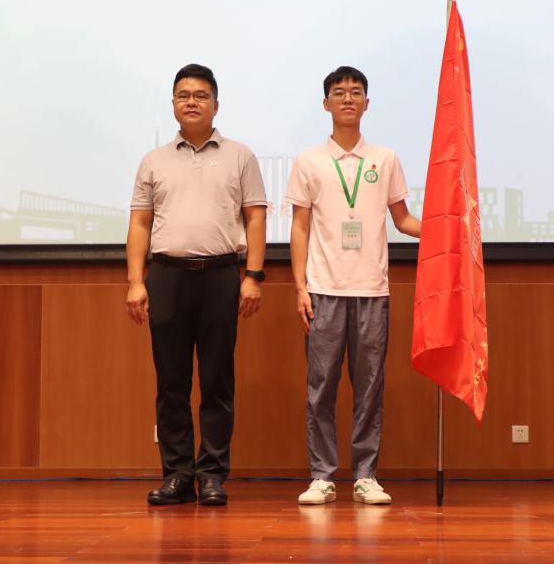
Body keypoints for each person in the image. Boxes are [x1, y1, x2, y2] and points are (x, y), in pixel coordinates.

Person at [126, 64, 268, 506]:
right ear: (173, 104)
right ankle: (177, 475)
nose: (192, 102)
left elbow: (255, 217)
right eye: (183, 95)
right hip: (166, 276)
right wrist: (135, 282)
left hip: (221, 275)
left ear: (216, 105)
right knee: (171, 382)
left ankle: (211, 475)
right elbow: (140, 223)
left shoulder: (240, 156)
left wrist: (253, 276)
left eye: (201, 95)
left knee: (216, 380)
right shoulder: (153, 160)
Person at [286, 66, 421, 505]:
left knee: (370, 389)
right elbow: (300, 227)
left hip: (372, 292)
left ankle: (366, 475)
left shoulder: (385, 159)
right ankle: (322, 476)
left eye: (356, 92)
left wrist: (448, 229)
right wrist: (300, 287)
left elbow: (403, 220)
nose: (348, 98)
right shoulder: (309, 161)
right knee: (320, 389)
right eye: (339, 92)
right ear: (325, 103)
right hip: (323, 291)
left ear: (367, 102)